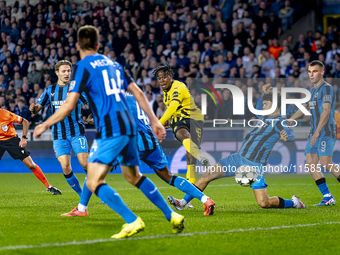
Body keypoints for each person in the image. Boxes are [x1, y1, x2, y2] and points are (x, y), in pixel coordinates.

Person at [34, 25, 184, 239]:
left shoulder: (82, 67)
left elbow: (68, 105)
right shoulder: (115, 65)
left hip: (110, 130)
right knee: (134, 177)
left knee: (94, 181)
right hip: (129, 128)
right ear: (97, 44)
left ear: (78, 46)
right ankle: (171, 216)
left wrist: (44, 124)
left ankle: (132, 220)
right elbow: (139, 93)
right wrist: (155, 122)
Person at [168, 84, 307, 210]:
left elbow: (290, 135)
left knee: (264, 203)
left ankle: (293, 203)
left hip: (254, 165)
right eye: (264, 104)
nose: (263, 107)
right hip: (237, 158)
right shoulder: (264, 117)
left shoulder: (279, 122)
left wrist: (287, 136)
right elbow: (258, 108)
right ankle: (183, 202)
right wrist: (264, 93)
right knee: (206, 176)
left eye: (266, 104)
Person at [29, 60, 92, 216]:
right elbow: (38, 109)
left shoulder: (76, 89)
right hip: (59, 135)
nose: (66, 74)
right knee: (65, 167)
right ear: (56, 72)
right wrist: (34, 108)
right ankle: (81, 197)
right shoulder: (50, 91)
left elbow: (89, 104)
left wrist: (91, 116)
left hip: (77, 132)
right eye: (63, 71)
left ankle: (92, 196)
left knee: (86, 165)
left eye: (69, 71)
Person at [290, 60, 339, 206]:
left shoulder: (327, 88)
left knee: (326, 163)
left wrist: (317, 132)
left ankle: (328, 196)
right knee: (311, 164)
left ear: (322, 72)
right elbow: (305, 106)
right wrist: (291, 119)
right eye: (310, 71)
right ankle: (328, 196)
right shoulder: (312, 91)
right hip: (314, 133)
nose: (312, 74)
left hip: (325, 131)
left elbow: (326, 110)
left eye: (315, 71)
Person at [153, 63, 210, 185]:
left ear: (170, 77)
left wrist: (158, 123)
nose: (161, 80)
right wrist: (168, 119)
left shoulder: (178, 87)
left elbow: (173, 106)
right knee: (183, 135)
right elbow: (172, 108)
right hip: (179, 120)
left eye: (164, 77)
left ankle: (186, 199)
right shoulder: (166, 94)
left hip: (195, 119)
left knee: (191, 158)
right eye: (159, 78)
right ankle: (200, 156)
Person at [0, 108, 61, 195]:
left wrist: (24, 138)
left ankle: (49, 186)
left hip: (11, 140)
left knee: (31, 165)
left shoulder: (6, 114)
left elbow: (25, 122)